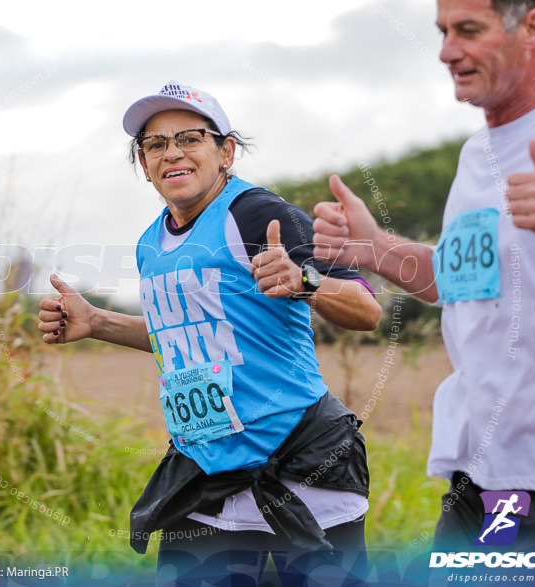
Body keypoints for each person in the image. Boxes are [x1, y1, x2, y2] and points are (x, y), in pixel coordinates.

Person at [38, 81, 381, 585]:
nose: (171, 152)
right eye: (154, 144)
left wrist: (304, 280)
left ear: (226, 152)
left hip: (302, 469)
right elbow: (180, 336)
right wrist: (99, 323)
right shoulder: (150, 243)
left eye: (190, 138)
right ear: (143, 163)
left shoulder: (257, 213)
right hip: (206, 478)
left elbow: (367, 309)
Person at [312, 0, 535, 575]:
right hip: (483, 475)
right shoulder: (476, 155)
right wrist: (372, 248)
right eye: (443, 32)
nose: (446, 51)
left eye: (469, 31)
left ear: (533, 30)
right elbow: (458, 278)